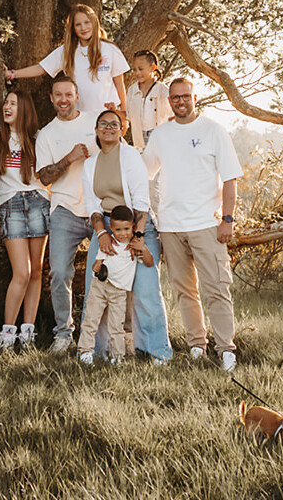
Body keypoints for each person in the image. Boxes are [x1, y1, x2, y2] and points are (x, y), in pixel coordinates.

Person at [142, 77, 243, 372]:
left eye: (185, 96)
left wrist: (227, 219)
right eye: (175, 97)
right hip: (171, 226)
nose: (180, 101)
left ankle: (226, 349)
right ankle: (197, 345)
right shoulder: (161, 135)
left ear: (194, 97)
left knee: (216, 289)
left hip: (206, 224)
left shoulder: (213, 131)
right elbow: (144, 170)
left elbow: (230, 179)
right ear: (169, 101)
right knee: (185, 291)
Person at [82, 108, 173, 364]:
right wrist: (101, 233)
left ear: (122, 130)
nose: (108, 128)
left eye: (114, 124)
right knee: (96, 289)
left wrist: (138, 237)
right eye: (103, 124)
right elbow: (92, 205)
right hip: (107, 227)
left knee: (145, 291)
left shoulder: (131, 156)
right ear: (97, 129)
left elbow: (141, 201)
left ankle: (157, 352)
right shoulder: (90, 164)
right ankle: (95, 352)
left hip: (137, 225)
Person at [34, 74, 99, 353]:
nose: (63, 100)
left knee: (103, 273)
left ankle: (97, 334)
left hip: (99, 207)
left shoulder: (95, 122)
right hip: (64, 209)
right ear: (51, 98)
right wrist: (69, 158)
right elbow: (44, 177)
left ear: (76, 96)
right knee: (60, 272)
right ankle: (63, 335)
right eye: (57, 95)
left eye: (68, 95)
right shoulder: (47, 134)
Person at [0, 90, 48, 350]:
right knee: (21, 272)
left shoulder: (37, 139)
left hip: (37, 201)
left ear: (24, 108)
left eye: (13, 103)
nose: (7, 106)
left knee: (36, 271)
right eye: (6, 102)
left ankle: (28, 332)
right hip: (10, 204)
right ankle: (7, 332)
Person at [5, 4, 129, 115]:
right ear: (73, 29)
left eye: (87, 22)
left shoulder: (110, 49)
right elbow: (41, 68)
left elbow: (119, 84)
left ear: (94, 23)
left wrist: (124, 115)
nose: (83, 28)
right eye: (78, 24)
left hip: (107, 115)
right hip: (79, 115)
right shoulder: (67, 50)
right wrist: (12, 74)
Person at [78, 205, 153, 365]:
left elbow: (149, 262)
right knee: (91, 319)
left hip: (119, 293)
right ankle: (85, 351)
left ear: (133, 227)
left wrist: (143, 248)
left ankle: (117, 357)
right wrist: (98, 267)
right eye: (118, 230)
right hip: (100, 287)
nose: (123, 233)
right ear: (111, 228)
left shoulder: (133, 248)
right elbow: (97, 264)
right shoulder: (108, 244)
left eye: (127, 229)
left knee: (116, 325)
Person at [125, 50, 171, 151]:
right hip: (139, 139)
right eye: (134, 69)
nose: (137, 73)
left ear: (153, 68)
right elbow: (127, 115)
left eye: (141, 69)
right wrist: (113, 110)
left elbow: (172, 116)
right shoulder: (132, 90)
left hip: (159, 138)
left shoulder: (163, 90)